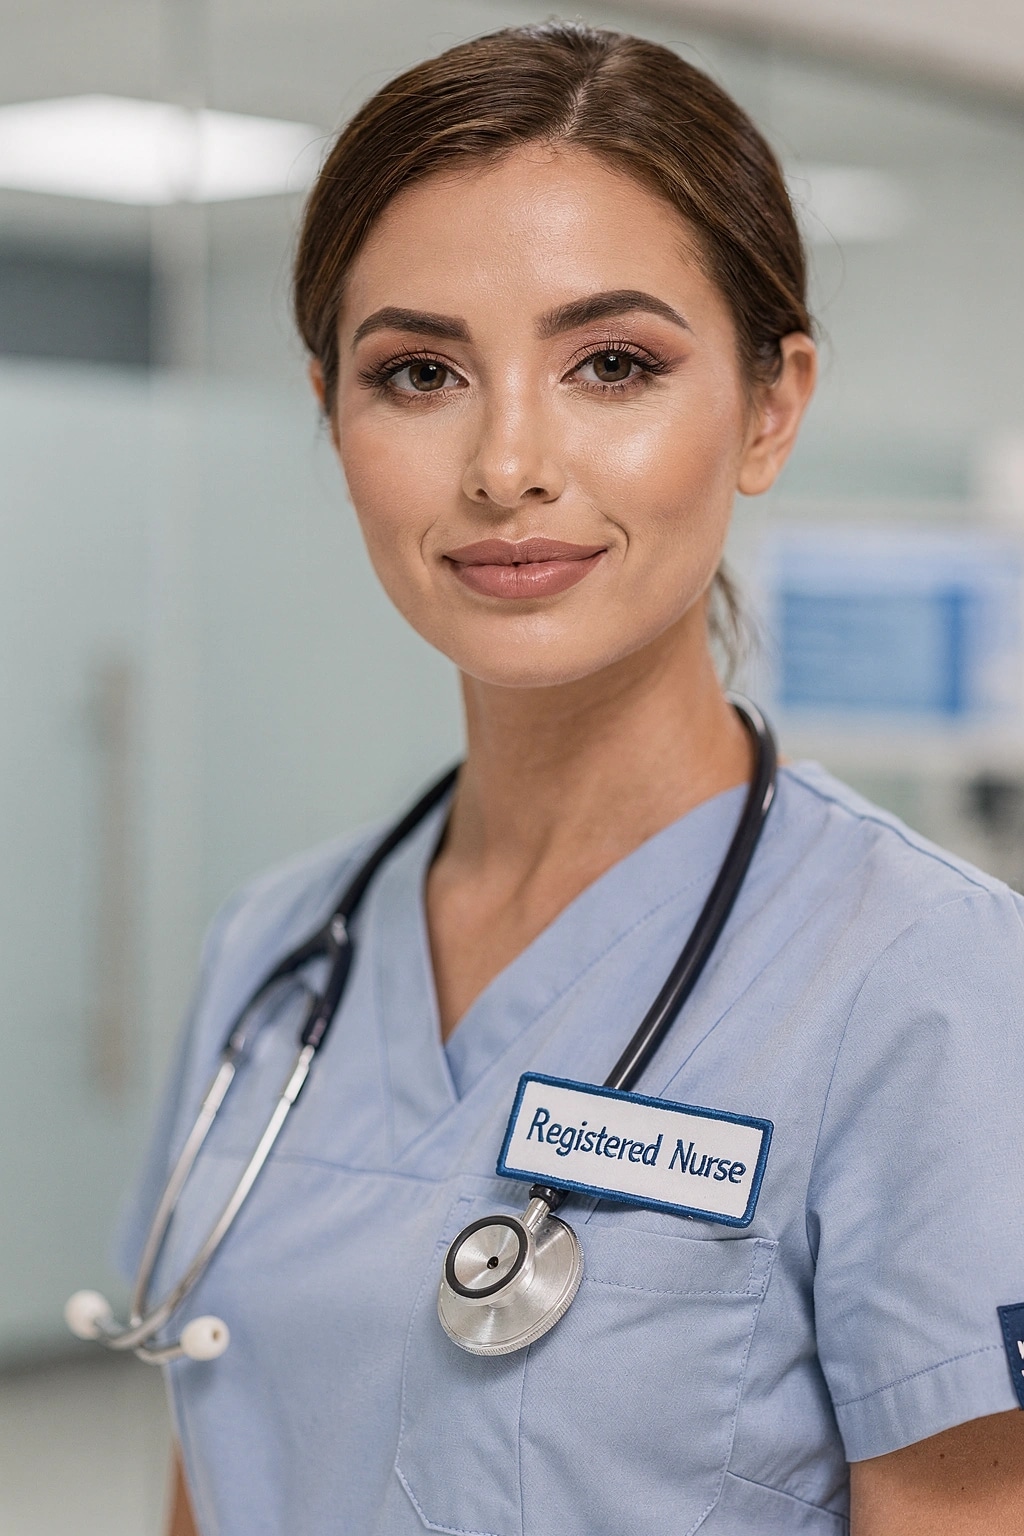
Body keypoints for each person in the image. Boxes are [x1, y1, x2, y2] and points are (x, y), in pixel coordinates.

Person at [120, 22, 1024, 1536]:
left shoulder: (929, 984)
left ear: (771, 407)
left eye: (614, 364)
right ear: (333, 419)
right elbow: (212, 1472)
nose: (507, 462)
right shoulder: (277, 956)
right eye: (418, 371)